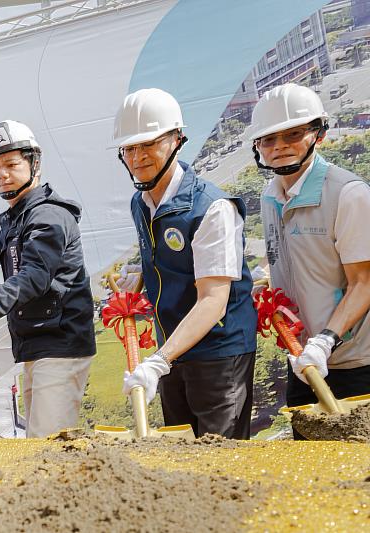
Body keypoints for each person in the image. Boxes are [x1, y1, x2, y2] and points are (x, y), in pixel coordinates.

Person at [114, 88, 257, 439]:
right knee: (181, 450)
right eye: (129, 148)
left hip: (218, 353)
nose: (138, 156)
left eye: (149, 143)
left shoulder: (212, 207)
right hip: (172, 351)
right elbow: (170, 263)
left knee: (220, 457)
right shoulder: (140, 202)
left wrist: (159, 361)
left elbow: (213, 300)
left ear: (177, 140)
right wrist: (140, 276)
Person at [0, 120, 97, 438]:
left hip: (59, 347)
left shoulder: (48, 217)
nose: (1, 174)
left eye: (11, 164)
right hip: (38, 348)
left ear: (35, 163)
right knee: (39, 444)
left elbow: (32, 280)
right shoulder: (16, 220)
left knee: (47, 445)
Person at [249, 83, 370, 430]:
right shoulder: (269, 198)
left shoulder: (348, 194)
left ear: (318, 134)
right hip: (302, 362)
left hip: (354, 363)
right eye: (268, 140)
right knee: (310, 470)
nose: (280, 147)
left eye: (294, 134)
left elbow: (363, 283)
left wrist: (326, 340)